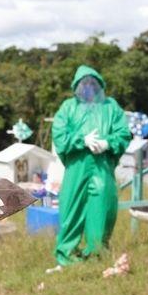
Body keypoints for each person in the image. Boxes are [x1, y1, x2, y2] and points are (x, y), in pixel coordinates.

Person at [48, 65, 131, 272]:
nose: (88, 87)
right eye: (83, 83)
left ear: (100, 84)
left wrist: (108, 143)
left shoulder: (111, 107)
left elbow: (123, 133)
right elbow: (59, 134)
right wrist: (80, 140)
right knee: (71, 209)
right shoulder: (68, 107)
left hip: (102, 167)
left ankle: (96, 254)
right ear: (76, 86)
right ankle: (66, 255)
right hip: (77, 167)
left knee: (102, 209)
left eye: (93, 83)